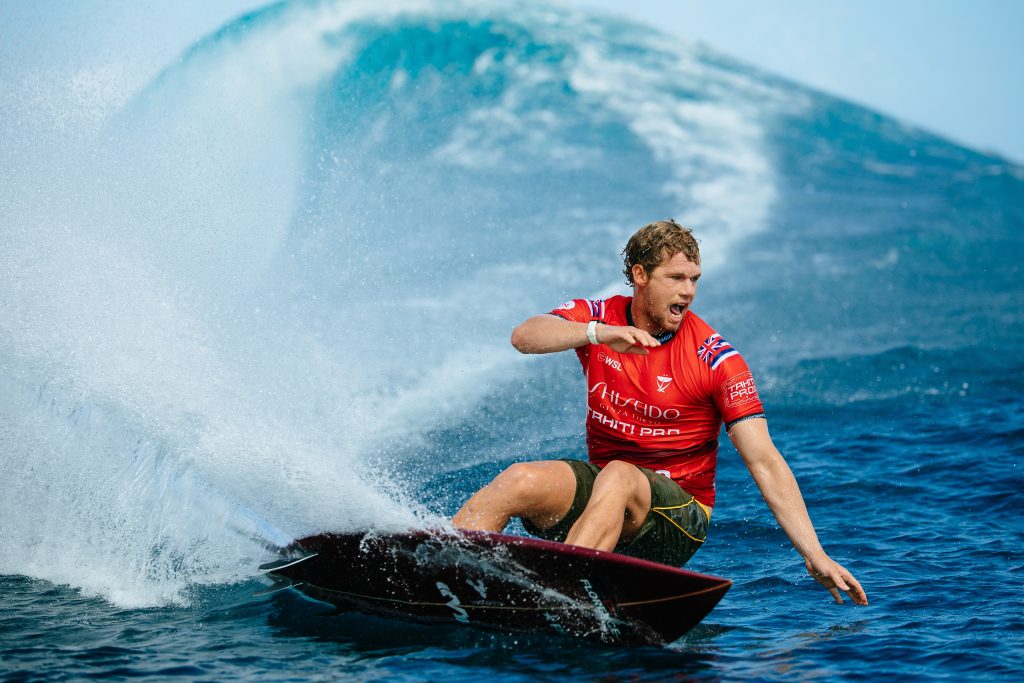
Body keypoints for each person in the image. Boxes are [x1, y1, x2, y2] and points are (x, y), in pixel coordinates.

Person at [454, 219, 867, 606]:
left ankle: (562, 596)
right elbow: (524, 336)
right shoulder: (602, 321)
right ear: (639, 276)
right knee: (519, 479)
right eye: (675, 278)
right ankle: (445, 570)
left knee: (618, 474)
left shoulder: (717, 361)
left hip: (679, 517)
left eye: (694, 280)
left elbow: (765, 461)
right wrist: (598, 333)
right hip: (608, 496)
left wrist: (814, 554)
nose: (687, 291)